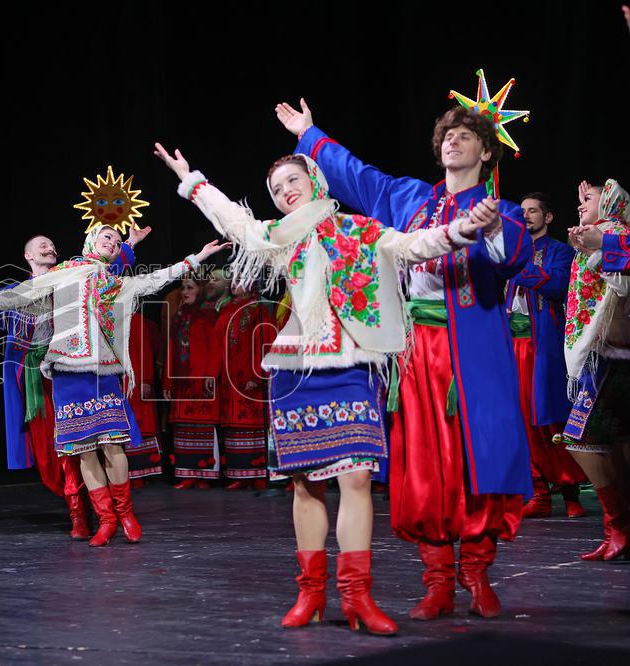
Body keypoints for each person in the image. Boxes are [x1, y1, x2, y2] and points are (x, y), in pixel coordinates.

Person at [157, 141, 495, 634]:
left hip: (351, 364)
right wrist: (193, 181)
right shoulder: (278, 236)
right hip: (297, 369)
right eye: (276, 189)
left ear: (314, 180)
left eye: (292, 180)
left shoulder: (359, 229)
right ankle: (311, 592)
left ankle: (357, 595)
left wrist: (462, 231)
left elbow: (412, 245)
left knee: (356, 478)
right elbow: (233, 220)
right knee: (304, 482)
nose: (285, 191)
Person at [278, 99, 532, 620]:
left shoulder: (500, 210)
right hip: (415, 351)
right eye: (447, 135)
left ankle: (477, 571)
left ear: (486, 150)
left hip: (474, 354)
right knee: (423, 466)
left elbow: (515, 261)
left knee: (477, 459)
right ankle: (437, 578)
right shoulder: (409, 197)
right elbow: (355, 175)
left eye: (465, 136)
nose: (452, 141)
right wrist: (310, 134)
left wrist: (488, 229)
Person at [0, 226, 228, 546]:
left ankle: (125, 513)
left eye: (117, 242)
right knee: (83, 451)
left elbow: (157, 278)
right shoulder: (63, 272)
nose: (112, 243)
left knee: (113, 446)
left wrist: (197, 257)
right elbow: (18, 295)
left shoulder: (115, 281)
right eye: (107, 237)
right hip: (66, 373)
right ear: (90, 240)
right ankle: (104, 520)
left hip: (103, 373)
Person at [0, 230, 143, 539]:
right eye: (41, 245)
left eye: (52, 244)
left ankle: (106, 515)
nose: (50, 248)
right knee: (58, 454)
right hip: (39, 384)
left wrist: (129, 245)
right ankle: (79, 514)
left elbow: (106, 265)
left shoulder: (73, 275)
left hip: (77, 374)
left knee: (101, 444)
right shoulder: (19, 292)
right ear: (29, 256)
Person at [561, 179, 630, 562]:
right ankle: (617, 529)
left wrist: (597, 245)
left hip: (611, 357)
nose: (580, 206)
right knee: (619, 445)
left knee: (580, 438)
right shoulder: (602, 236)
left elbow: (619, 285)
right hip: (609, 356)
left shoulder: (615, 234)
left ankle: (619, 524)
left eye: (588, 199)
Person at [507, 193, 586, 518]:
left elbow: (557, 285)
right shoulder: (510, 252)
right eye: (522, 211)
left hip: (544, 347)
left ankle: (570, 492)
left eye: (533, 210)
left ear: (548, 217)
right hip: (513, 345)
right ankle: (538, 493)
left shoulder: (560, 251)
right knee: (521, 421)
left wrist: (518, 265)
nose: (526, 215)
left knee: (551, 418)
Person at [210, 282, 276, 489]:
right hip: (230, 380)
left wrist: (257, 373)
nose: (235, 285)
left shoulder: (260, 310)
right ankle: (239, 474)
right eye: (234, 281)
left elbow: (264, 342)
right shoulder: (227, 310)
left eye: (241, 280)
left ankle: (257, 475)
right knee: (233, 425)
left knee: (252, 423)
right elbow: (216, 345)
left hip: (249, 379)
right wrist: (213, 374)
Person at [164, 276, 220, 489]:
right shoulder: (179, 316)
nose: (185, 292)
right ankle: (188, 474)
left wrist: (211, 375)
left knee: (203, 427)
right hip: (183, 382)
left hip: (201, 381)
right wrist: (168, 382)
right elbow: (172, 349)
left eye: (190, 288)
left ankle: (205, 474)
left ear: (200, 291)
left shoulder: (208, 316)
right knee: (185, 428)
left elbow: (215, 348)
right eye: (183, 288)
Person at [125, 312, 163, 485]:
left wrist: (145, 380)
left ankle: (139, 474)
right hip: (119, 381)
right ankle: (125, 475)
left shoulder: (136, 320)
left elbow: (145, 352)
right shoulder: (110, 319)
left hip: (135, 380)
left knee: (138, 423)